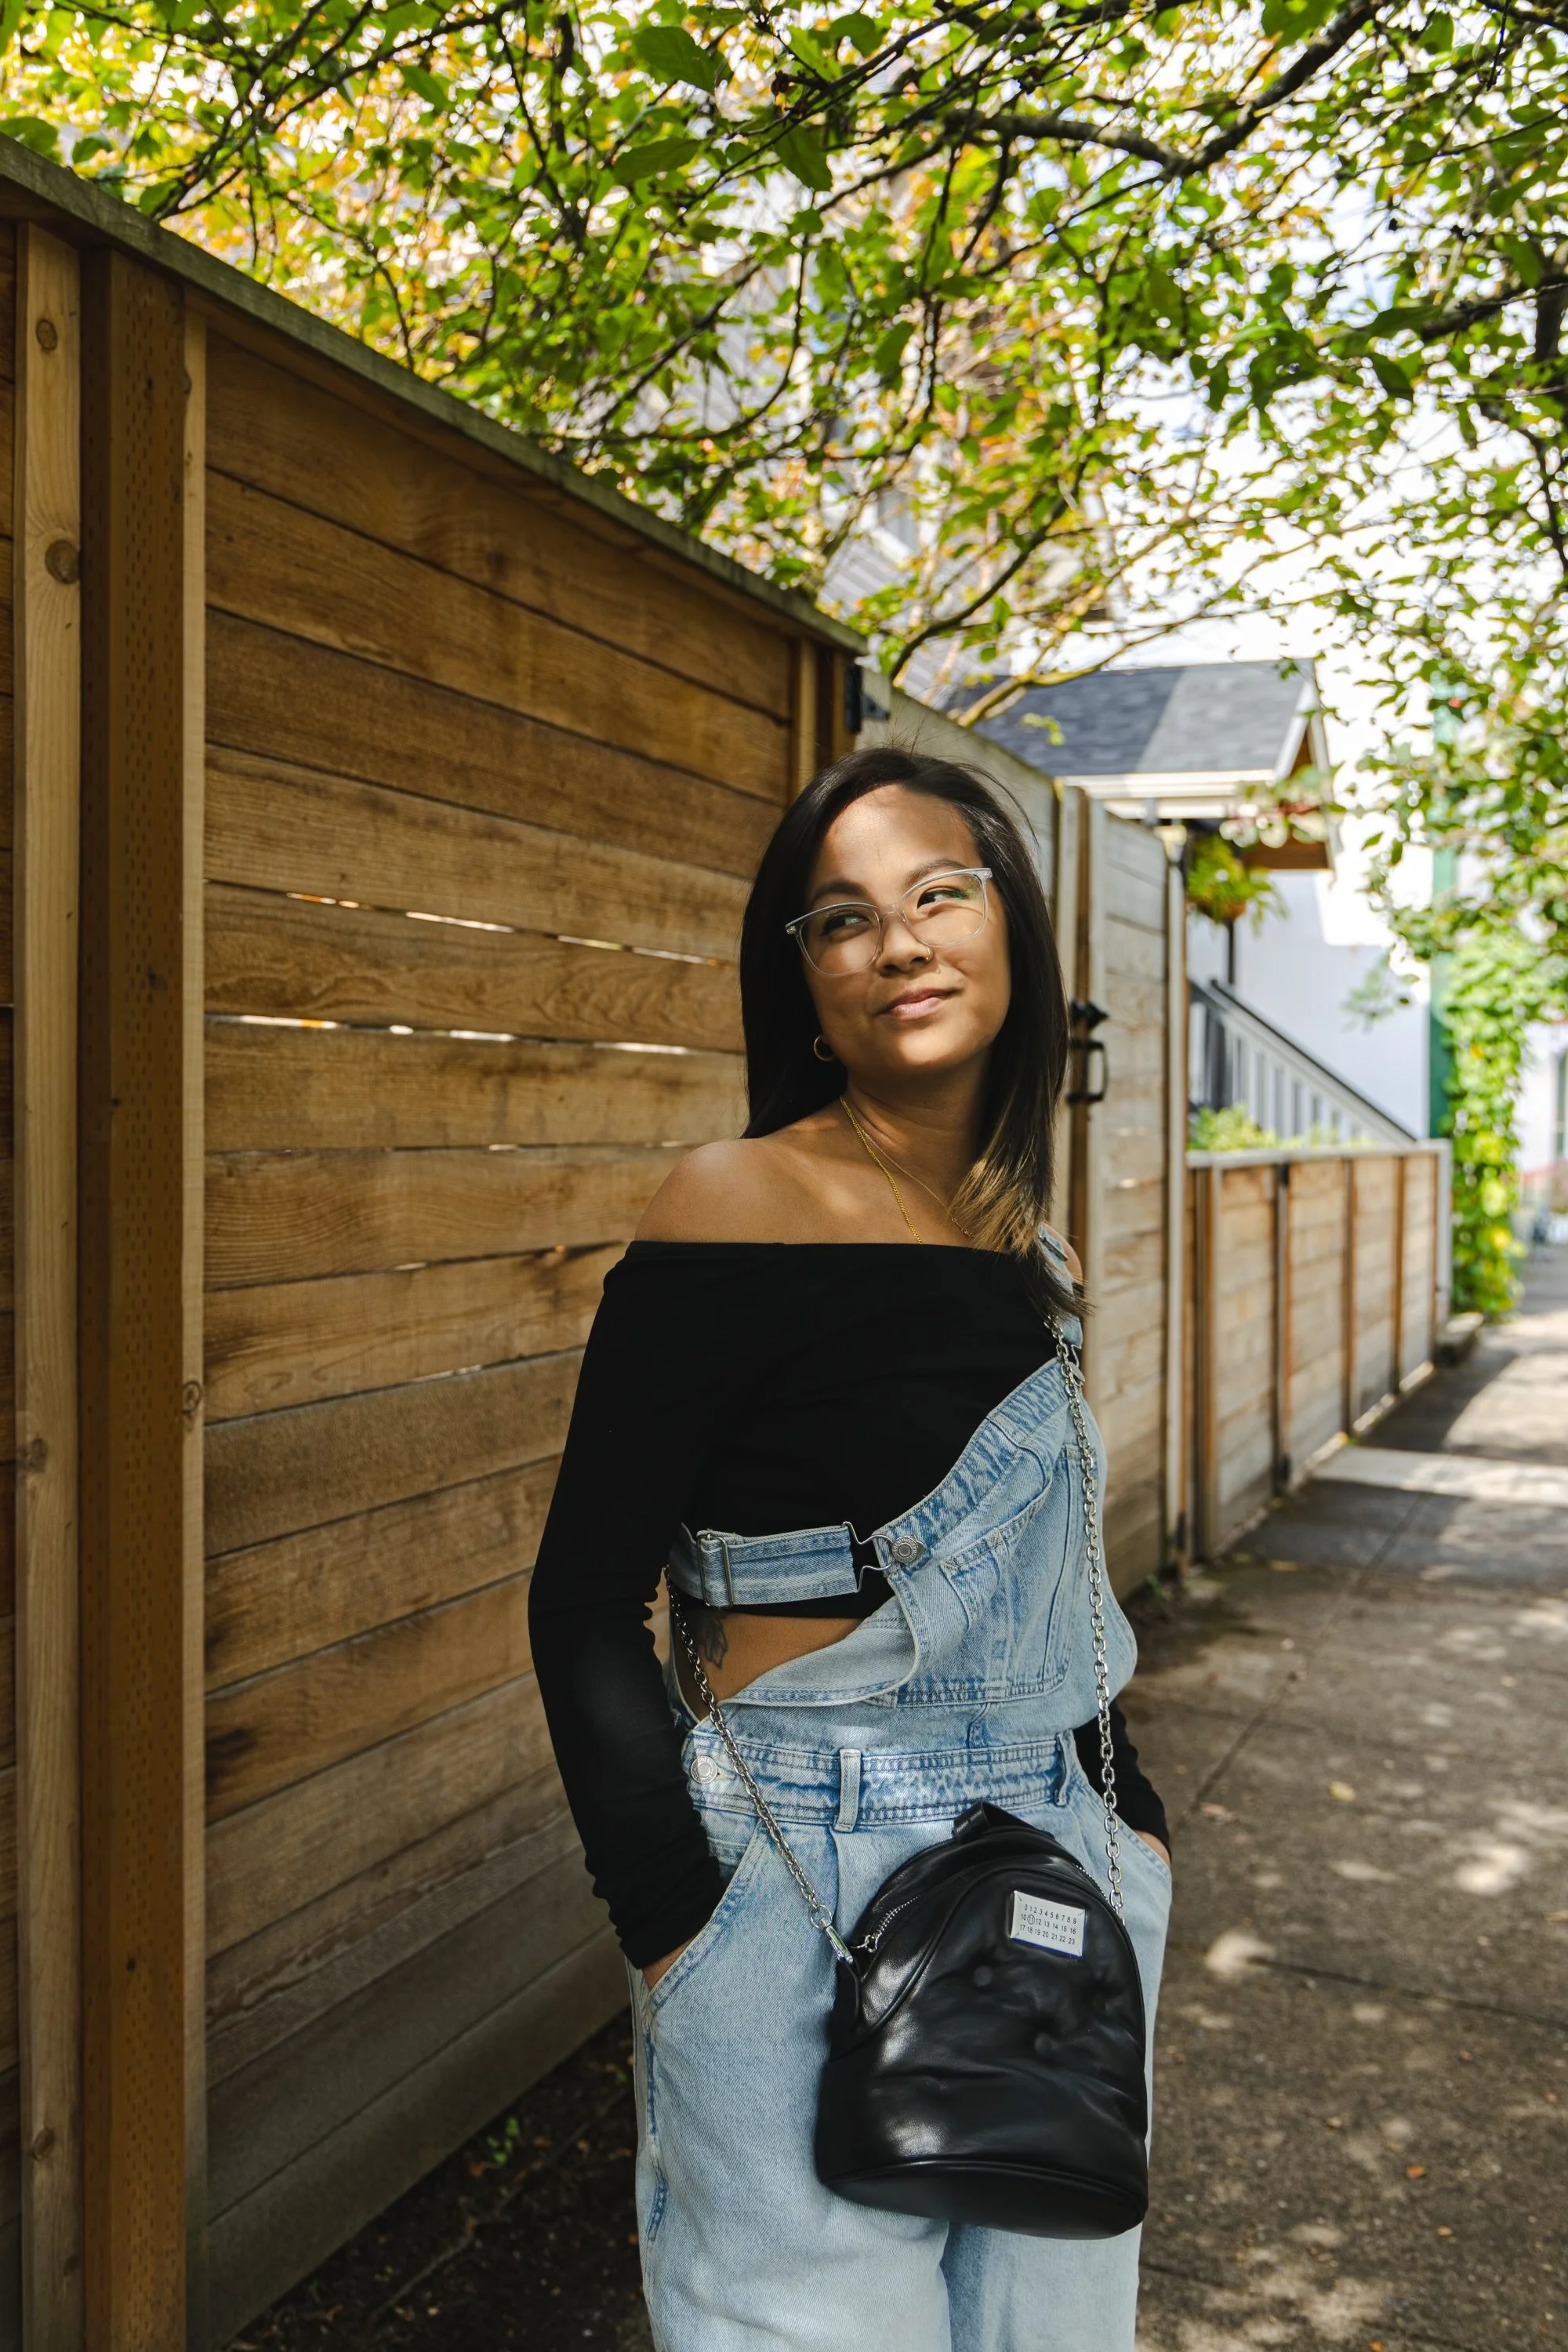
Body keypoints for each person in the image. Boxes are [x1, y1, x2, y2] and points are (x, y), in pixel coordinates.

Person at [529, 746, 1172, 2351]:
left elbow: (1051, 1585)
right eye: (840, 919)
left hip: (1058, 1858)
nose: (897, 943)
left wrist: (1132, 1823)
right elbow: (580, 1598)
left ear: (1013, 929)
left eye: (937, 892)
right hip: (793, 1873)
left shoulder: (1028, 1247)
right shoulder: (730, 1204)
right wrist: (676, 1910)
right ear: (801, 978)